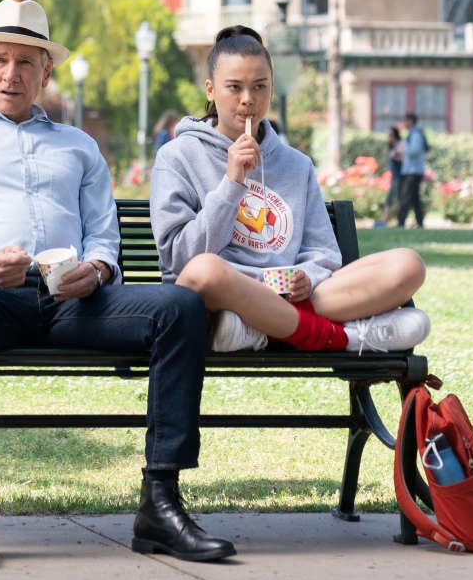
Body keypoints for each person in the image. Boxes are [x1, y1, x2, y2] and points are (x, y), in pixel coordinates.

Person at [0, 0, 235, 568]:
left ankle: (160, 501)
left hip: (74, 303)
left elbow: (105, 243)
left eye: (27, 62)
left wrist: (98, 271)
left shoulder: (78, 146)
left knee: (179, 305)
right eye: (1, 60)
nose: (13, 74)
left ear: (46, 72)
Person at [149, 25, 429, 354]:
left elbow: (324, 253)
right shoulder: (177, 156)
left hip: (283, 299)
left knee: (408, 265)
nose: (248, 100)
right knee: (204, 271)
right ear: (210, 90)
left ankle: (257, 331)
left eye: (259, 87)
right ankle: (344, 338)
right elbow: (180, 259)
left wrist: (306, 277)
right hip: (218, 298)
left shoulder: (296, 164)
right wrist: (232, 184)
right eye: (234, 87)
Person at [397, 112, 428, 229]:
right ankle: (420, 223)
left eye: (405, 121)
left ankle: (400, 223)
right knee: (414, 199)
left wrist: (403, 146)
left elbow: (415, 151)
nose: (404, 123)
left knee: (406, 197)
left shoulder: (415, 135)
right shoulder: (411, 134)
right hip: (410, 171)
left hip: (413, 172)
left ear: (410, 122)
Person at [375, 125, 404, 227]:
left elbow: (400, 158)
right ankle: (388, 221)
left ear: (395, 134)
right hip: (394, 177)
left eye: (391, 134)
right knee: (395, 199)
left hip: (399, 177)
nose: (389, 136)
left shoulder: (400, 144)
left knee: (393, 199)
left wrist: (395, 153)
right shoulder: (391, 146)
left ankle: (390, 221)